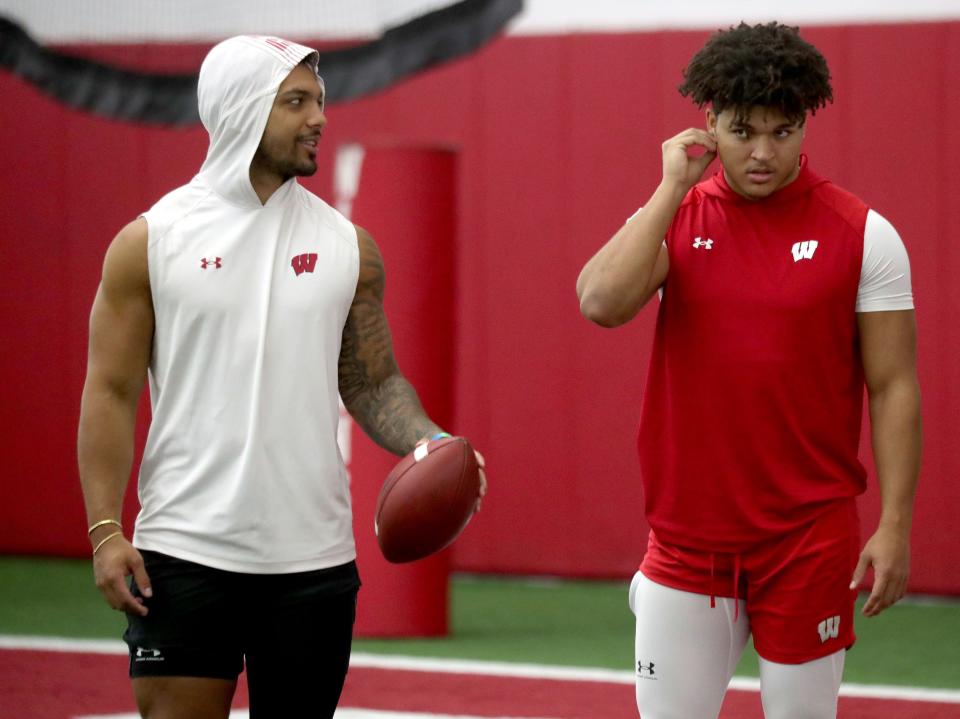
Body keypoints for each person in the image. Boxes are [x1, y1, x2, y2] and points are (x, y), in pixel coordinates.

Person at [78, 35, 485, 719]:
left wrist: (434, 444)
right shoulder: (150, 241)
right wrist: (104, 529)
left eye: (319, 101)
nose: (319, 117)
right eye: (295, 102)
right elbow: (111, 391)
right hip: (183, 552)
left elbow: (374, 381)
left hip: (313, 563)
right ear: (240, 111)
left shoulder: (348, 245)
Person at [576, 22, 920, 719]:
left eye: (782, 131)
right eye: (742, 131)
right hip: (686, 541)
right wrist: (671, 186)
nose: (763, 152)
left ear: (804, 125)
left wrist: (895, 523)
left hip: (809, 540)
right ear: (708, 123)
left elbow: (894, 386)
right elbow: (599, 302)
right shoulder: (676, 214)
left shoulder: (864, 234)